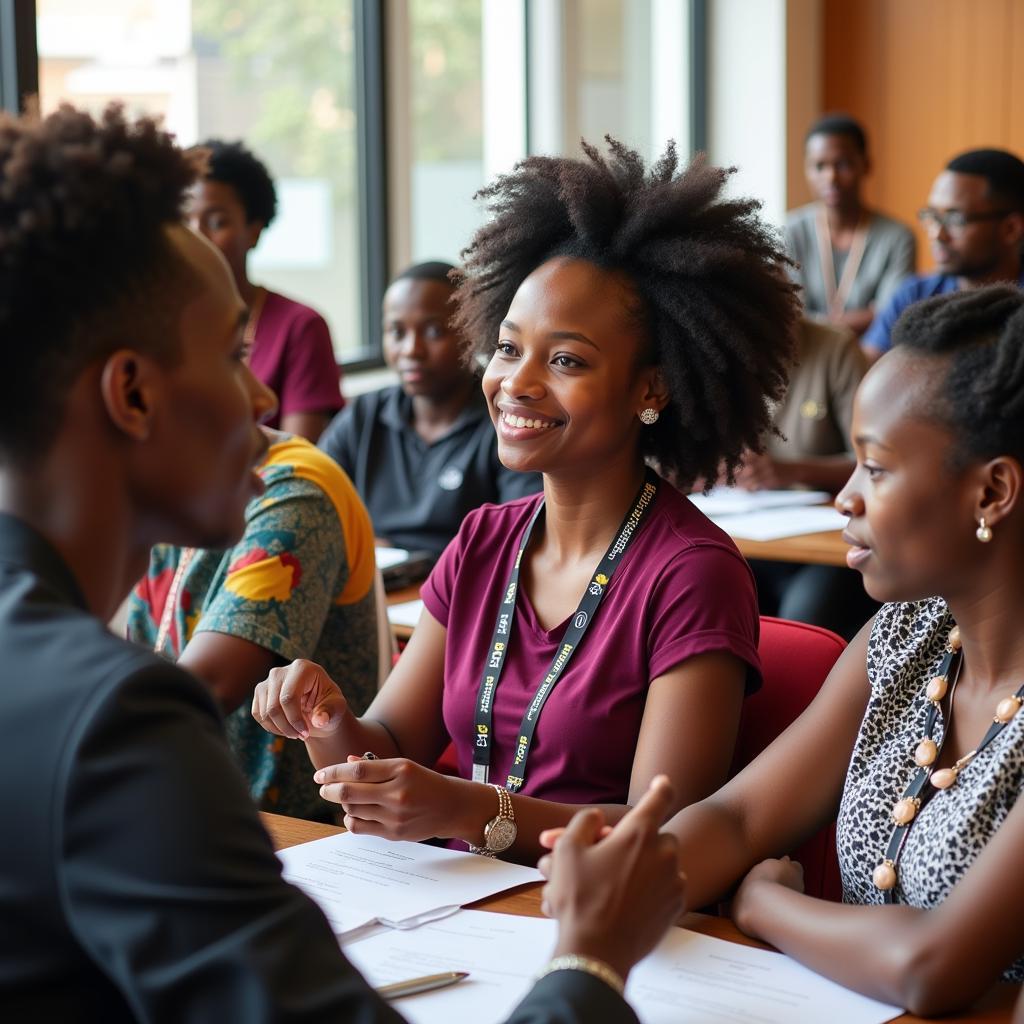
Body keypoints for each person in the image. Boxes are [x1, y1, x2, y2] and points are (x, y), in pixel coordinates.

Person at [0, 102, 687, 1022]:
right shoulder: (118, 725)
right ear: (131, 392)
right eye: (232, 355)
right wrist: (594, 963)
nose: (261, 392)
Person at [252, 139, 799, 861]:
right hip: (455, 909)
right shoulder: (484, 539)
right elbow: (381, 747)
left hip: (599, 923)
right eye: (509, 348)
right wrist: (322, 718)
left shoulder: (692, 573)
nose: (518, 382)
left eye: (566, 359)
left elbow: (659, 834)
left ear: (652, 388)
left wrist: (472, 809)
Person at [594, 284, 1024, 1017]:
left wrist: (763, 906)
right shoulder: (904, 638)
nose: (844, 498)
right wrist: (627, 878)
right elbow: (735, 820)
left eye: (876, 468)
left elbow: (933, 966)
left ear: (992, 493)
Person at [126, 428, 379, 821]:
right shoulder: (164, 477)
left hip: (279, 826)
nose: (264, 397)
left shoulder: (295, 491)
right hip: (173, 799)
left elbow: (203, 690)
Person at [320, 261, 541, 558]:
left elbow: (518, 536)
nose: (412, 349)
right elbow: (313, 498)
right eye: (396, 332)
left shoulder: (509, 419)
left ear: (472, 332)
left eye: (435, 331)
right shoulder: (364, 416)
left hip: (461, 588)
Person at [190, 138, 343, 441]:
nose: (196, 236)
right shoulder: (158, 325)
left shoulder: (300, 327)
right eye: (183, 221)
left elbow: (297, 464)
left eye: (217, 222)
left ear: (254, 230)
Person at [738, 318, 878, 639]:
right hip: (740, 536)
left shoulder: (835, 349)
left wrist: (788, 470)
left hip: (823, 545)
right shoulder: (715, 352)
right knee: (707, 594)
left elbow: (872, 461)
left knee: (803, 618)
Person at [863, 148, 1024, 360]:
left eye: (955, 219)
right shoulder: (915, 296)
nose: (937, 233)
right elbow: (867, 370)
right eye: (932, 215)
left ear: (1011, 229)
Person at [785, 113, 915, 337]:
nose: (831, 177)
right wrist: (867, 314)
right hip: (805, 357)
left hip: (872, 358)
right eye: (819, 166)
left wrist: (818, 322)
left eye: (843, 164)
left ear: (866, 165)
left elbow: (890, 314)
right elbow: (790, 311)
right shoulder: (791, 231)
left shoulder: (897, 237)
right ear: (806, 170)